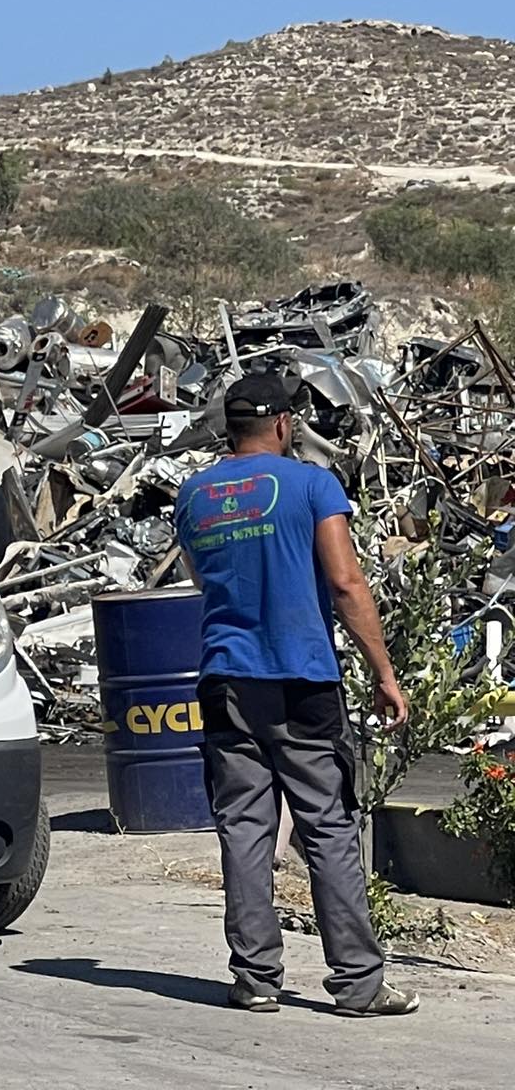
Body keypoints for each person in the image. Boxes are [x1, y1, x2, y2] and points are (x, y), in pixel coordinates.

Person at [174, 373, 418, 1018]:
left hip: (226, 678)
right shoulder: (311, 483)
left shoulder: (193, 493)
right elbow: (344, 583)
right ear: (285, 424)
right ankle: (358, 985)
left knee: (245, 829)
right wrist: (385, 673)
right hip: (302, 679)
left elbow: (206, 580)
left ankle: (255, 979)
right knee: (328, 828)